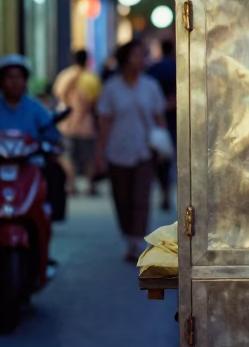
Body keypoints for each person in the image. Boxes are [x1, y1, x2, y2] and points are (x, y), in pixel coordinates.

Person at [95, 39, 167, 261]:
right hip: (117, 152)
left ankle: (136, 241)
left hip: (144, 151)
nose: (142, 60)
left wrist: (163, 145)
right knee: (121, 199)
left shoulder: (151, 86)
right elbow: (105, 122)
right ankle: (128, 235)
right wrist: (99, 153)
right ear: (125, 59)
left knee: (141, 198)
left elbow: (159, 118)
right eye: (137, 55)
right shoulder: (111, 88)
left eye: (143, 55)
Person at [53, 50, 102, 195]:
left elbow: (59, 93)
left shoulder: (65, 75)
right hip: (86, 123)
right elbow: (96, 101)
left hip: (67, 123)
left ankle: (71, 183)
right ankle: (89, 184)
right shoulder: (91, 77)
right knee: (88, 156)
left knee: (68, 155)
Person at [0, 55, 61, 148]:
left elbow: (51, 135)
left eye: (19, 77)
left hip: (31, 160)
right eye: (10, 77)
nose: (15, 82)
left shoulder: (35, 107)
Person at [147, 39, 177, 210]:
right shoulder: (175, 67)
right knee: (169, 157)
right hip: (172, 119)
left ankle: (163, 191)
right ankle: (166, 193)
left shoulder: (154, 69)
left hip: (156, 119)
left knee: (160, 158)